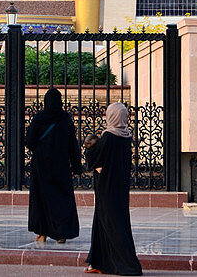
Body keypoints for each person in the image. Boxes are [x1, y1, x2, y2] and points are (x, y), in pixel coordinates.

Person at [83, 103, 142, 276]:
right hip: (120, 187)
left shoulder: (108, 137)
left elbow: (93, 159)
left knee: (111, 224)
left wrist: (89, 148)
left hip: (107, 187)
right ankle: (98, 262)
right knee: (108, 223)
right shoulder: (126, 136)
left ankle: (129, 265)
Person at [25, 87, 82, 243]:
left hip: (41, 165)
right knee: (60, 199)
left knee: (41, 198)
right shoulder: (65, 119)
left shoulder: (39, 118)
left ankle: (42, 233)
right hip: (61, 165)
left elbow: (30, 142)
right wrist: (77, 167)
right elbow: (72, 145)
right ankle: (61, 233)